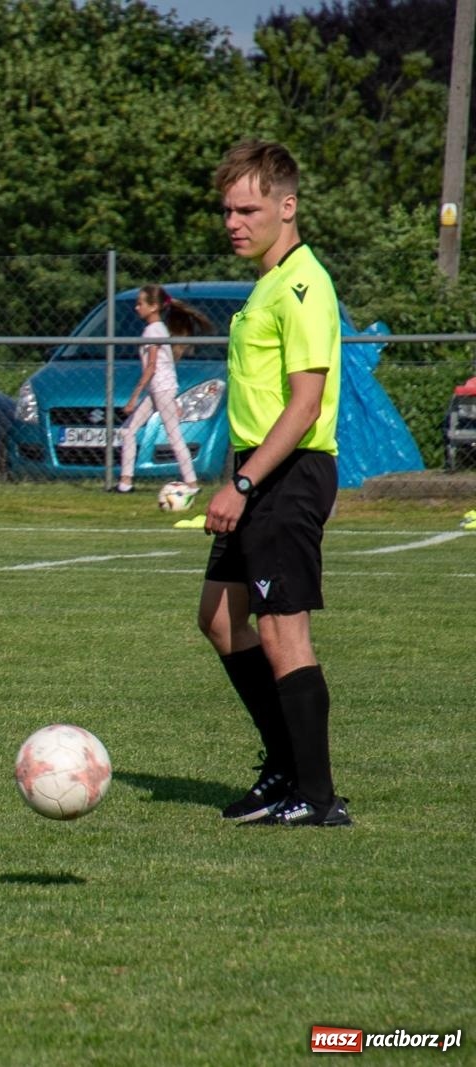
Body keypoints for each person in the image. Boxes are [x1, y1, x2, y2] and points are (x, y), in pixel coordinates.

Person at [200, 139, 350, 828]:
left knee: (284, 631)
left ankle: (317, 797)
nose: (234, 221)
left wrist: (244, 481)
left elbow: (306, 403)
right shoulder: (266, 283)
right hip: (259, 471)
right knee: (221, 618)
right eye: (227, 208)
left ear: (287, 207)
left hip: (285, 473)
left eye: (249, 208)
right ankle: (284, 764)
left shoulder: (303, 284)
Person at [112, 284, 210, 495]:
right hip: (160, 389)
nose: (136, 308)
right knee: (128, 431)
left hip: (161, 388)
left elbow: (152, 366)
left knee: (174, 436)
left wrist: (134, 397)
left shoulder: (152, 331)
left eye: (141, 304)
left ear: (154, 307)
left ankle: (192, 485)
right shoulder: (158, 329)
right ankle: (125, 483)